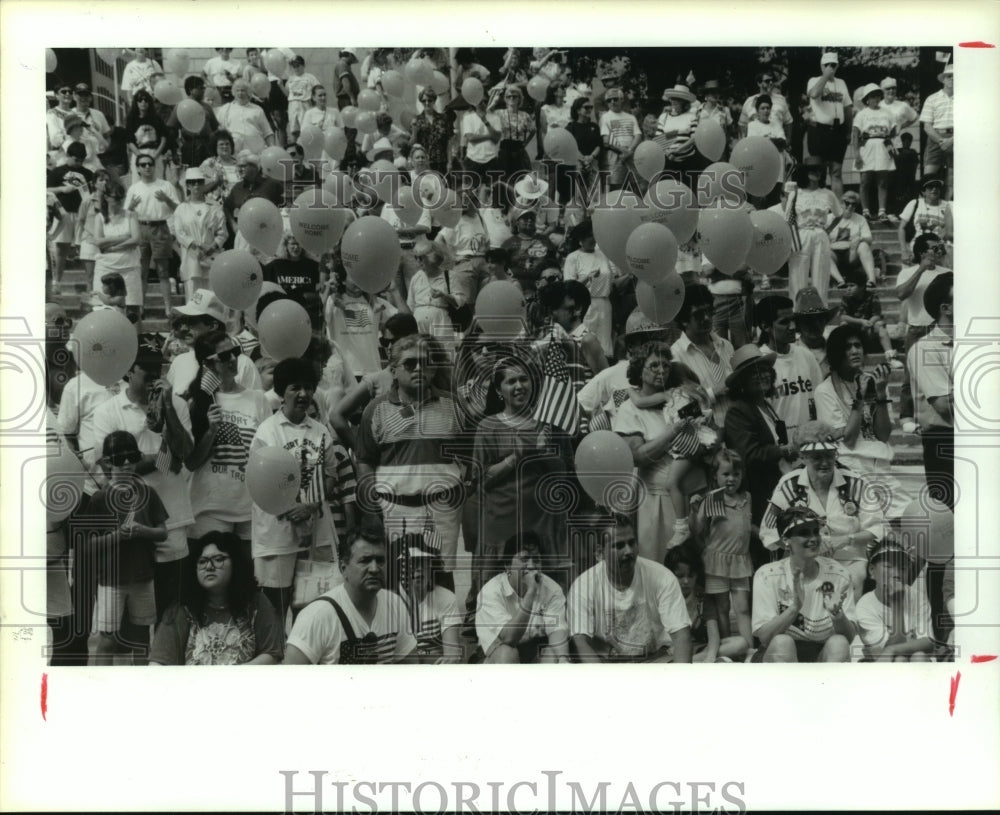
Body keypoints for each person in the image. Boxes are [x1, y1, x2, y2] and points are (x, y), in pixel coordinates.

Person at [92, 338, 195, 625]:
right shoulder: (107, 411)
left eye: (157, 367)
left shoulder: (176, 403)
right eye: (145, 367)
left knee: (172, 609)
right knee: (133, 621)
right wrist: (162, 455)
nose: (153, 374)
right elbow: (112, 467)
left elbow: (185, 454)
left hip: (171, 518)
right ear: (129, 370)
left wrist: (170, 412)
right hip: (130, 525)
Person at [355, 335, 464, 583]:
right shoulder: (375, 410)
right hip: (394, 510)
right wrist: (371, 509)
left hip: (441, 510)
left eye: (425, 362)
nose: (418, 368)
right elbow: (365, 461)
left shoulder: (453, 406)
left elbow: (470, 455)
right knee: (395, 581)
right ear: (393, 371)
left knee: (441, 580)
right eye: (410, 363)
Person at [249, 358, 340, 625]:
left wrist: (310, 506)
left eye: (308, 387)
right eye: (295, 388)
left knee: (310, 611)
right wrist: (293, 510)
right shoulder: (267, 432)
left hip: (315, 533)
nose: (303, 394)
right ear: (281, 392)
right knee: (274, 609)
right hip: (277, 535)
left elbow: (330, 475)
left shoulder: (321, 432)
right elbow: (259, 482)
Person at [760, 421, 884, 601]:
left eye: (829, 455)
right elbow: (768, 531)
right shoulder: (788, 485)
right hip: (802, 561)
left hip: (849, 561)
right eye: (817, 457)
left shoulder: (856, 483)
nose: (825, 462)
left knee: (850, 584)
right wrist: (801, 546)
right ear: (802, 457)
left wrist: (847, 539)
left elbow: (878, 528)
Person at [472, 354, 569, 581]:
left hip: (541, 524)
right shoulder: (488, 427)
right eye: (511, 381)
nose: (519, 386)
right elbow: (480, 480)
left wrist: (545, 452)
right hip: (501, 523)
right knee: (496, 589)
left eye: (523, 380)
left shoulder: (547, 424)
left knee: (541, 591)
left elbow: (562, 475)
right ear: (499, 389)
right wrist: (516, 457)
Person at [612, 341, 708, 562]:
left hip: (694, 496)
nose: (661, 370)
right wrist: (674, 431)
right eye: (654, 366)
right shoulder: (630, 409)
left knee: (697, 571)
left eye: (665, 365)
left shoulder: (679, 397)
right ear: (639, 369)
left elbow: (702, 430)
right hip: (658, 503)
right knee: (664, 565)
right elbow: (637, 457)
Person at [86, 430, 169, 665]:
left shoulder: (148, 493)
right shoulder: (99, 498)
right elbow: (88, 545)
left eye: (131, 458)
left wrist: (143, 531)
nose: (126, 465)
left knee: (142, 638)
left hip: (143, 576)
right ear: (107, 462)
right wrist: (117, 537)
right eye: (119, 460)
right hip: (111, 579)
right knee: (108, 638)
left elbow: (162, 532)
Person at [183, 330, 271, 545]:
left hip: (250, 507)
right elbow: (192, 462)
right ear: (208, 364)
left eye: (234, 352)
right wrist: (210, 431)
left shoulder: (258, 399)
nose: (232, 359)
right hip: (209, 508)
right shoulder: (197, 403)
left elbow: (268, 453)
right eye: (223, 356)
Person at [569, 512, 693, 663]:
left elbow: (681, 635)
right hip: (606, 665)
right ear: (600, 553)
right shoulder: (583, 586)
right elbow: (581, 641)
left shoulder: (662, 577)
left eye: (632, 543)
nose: (628, 551)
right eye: (619, 545)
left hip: (656, 660)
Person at [283, 528, 417, 665]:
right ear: (343, 568)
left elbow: (410, 670)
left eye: (380, 561)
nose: (374, 569)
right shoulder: (316, 616)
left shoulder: (394, 604)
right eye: (365, 561)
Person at [149, 532, 284, 665]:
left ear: (236, 563)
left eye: (218, 559)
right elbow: (158, 663)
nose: (209, 567)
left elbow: (272, 653)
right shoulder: (181, 608)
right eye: (202, 561)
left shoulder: (257, 602)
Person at [751, 505, 857, 663]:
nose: (813, 538)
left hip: (821, 654)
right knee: (783, 643)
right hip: (777, 654)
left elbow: (849, 638)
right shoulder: (767, 575)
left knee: (839, 644)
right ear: (786, 540)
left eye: (815, 532)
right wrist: (794, 608)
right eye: (804, 533)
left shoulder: (838, 574)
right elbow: (765, 638)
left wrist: (838, 616)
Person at [689, 447, 754, 648]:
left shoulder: (746, 498)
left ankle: (750, 649)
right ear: (715, 476)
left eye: (736, 474)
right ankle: (728, 648)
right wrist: (694, 510)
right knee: (722, 608)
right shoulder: (711, 499)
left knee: (743, 607)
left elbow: (745, 525)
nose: (731, 479)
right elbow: (697, 529)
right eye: (725, 474)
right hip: (716, 561)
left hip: (740, 559)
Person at [475, 532, 570, 663]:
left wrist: (563, 659)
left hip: (533, 651)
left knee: (553, 655)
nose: (531, 566)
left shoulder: (552, 589)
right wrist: (531, 592)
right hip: (495, 654)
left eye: (536, 559)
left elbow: (557, 629)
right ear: (507, 564)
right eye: (524, 559)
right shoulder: (490, 591)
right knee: (507, 654)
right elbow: (509, 638)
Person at [894, 233, 950, 434]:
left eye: (940, 248)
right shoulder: (907, 272)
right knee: (910, 376)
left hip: (941, 329)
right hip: (917, 329)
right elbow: (901, 294)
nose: (938, 252)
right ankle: (907, 417)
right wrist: (921, 269)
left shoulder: (947, 272)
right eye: (934, 248)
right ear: (921, 252)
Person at [908, 272, 955, 510]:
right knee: (952, 520)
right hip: (945, 444)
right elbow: (944, 405)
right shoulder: (924, 349)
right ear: (946, 308)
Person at [167, 288, 262, 396]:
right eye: (183, 321)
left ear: (212, 326)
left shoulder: (243, 364)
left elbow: (257, 406)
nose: (184, 328)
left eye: (191, 322)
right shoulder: (179, 362)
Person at [755, 295, 822, 444]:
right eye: (784, 322)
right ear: (765, 326)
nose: (792, 327)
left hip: (810, 447)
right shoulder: (759, 362)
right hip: (780, 452)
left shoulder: (806, 355)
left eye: (793, 320)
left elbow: (819, 399)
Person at [665, 543, 748, 663]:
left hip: (700, 649)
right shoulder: (665, 596)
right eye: (680, 576)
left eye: (691, 576)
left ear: (697, 575)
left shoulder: (702, 597)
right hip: (673, 650)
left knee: (741, 643)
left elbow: (713, 633)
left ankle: (686, 662)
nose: (686, 581)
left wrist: (711, 655)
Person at [855, 541, 934, 662]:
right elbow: (885, 655)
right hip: (882, 668)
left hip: (915, 659)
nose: (896, 574)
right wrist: (897, 605)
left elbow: (928, 642)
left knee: (919, 657)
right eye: (888, 566)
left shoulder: (917, 596)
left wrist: (891, 650)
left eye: (902, 567)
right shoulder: (865, 605)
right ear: (872, 570)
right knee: (899, 660)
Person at [670, 284, 734, 427]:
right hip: (708, 436)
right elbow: (679, 410)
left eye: (709, 311)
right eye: (698, 314)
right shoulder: (676, 355)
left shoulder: (726, 345)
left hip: (737, 428)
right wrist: (713, 393)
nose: (706, 318)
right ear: (684, 320)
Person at [126, 152, 180, 316]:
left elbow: (178, 208)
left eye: (150, 163)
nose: (147, 167)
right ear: (138, 168)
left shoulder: (165, 185)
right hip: (140, 227)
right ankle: (140, 306)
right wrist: (132, 206)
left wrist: (166, 199)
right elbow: (125, 214)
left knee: (163, 271)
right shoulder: (134, 188)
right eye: (143, 164)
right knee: (141, 271)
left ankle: (168, 307)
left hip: (160, 227)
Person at [395, 537, 463, 664]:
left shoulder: (446, 598)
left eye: (423, 561)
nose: (418, 568)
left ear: (431, 565)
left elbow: (452, 652)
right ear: (400, 568)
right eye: (412, 562)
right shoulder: (388, 601)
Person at [787, 157, 841, 304]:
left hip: (820, 234)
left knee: (821, 275)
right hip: (801, 234)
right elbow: (788, 219)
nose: (816, 173)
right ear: (805, 173)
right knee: (798, 276)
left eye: (819, 170)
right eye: (812, 170)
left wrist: (828, 230)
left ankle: (820, 315)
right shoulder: (796, 194)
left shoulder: (827, 194)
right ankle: (796, 313)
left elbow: (839, 215)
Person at [46, 141, 94, 295]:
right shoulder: (57, 172)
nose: (79, 163)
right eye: (76, 160)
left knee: (85, 249)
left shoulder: (87, 173)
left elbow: (92, 194)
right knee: (61, 249)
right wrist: (62, 189)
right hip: (62, 214)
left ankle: (90, 286)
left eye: (81, 160)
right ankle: (56, 282)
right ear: (68, 156)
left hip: (83, 214)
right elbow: (45, 189)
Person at [172, 168, 227, 301]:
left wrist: (211, 247)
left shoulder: (215, 206)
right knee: (193, 298)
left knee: (212, 299)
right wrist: (198, 245)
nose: (196, 185)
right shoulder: (181, 208)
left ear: (204, 184)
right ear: (188, 185)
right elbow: (179, 233)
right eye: (192, 182)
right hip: (191, 257)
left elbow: (222, 232)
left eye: (199, 182)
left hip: (211, 257)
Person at [562, 219, 614, 357]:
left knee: (604, 347)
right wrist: (588, 278)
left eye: (594, 235)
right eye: (589, 235)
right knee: (584, 345)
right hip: (585, 305)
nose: (593, 239)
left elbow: (612, 281)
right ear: (581, 238)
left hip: (604, 304)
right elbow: (568, 287)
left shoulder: (603, 255)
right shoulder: (573, 257)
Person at [92, 183, 142, 324]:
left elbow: (136, 240)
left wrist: (112, 247)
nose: (120, 201)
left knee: (133, 310)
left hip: (129, 266)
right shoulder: (100, 217)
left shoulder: (131, 215)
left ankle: (136, 343)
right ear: (107, 197)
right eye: (116, 197)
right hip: (105, 267)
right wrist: (124, 237)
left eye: (122, 198)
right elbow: (99, 242)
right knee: (101, 308)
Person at [805, 51, 852, 197]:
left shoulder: (842, 83)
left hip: (837, 131)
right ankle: (820, 206)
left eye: (833, 64)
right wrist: (826, 76)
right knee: (818, 171)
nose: (831, 67)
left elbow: (847, 108)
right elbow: (813, 94)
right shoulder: (814, 80)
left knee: (836, 172)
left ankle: (838, 208)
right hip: (819, 131)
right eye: (827, 65)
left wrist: (848, 131)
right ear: (822, 66)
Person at [835, 268, 903, 368]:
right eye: (847, 286)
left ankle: (891, 357)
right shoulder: (846, 298)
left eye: (852, 285)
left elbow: (877, 314)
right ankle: (842, 358)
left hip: (869, 330)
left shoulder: (872, 296)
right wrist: (861, 322)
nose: (848, 288)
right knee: (843, 326)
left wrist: (869, 323)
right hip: (855, 329)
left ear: (862, 287)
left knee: (880, 325)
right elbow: (843, 316)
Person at [223, 151, 284, 261]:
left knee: (267, 267)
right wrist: (233, 225)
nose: (239, 169)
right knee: (243, 267)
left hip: (267, 236)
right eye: (238, 166)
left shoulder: (272, 185)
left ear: (255, 167)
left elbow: (285, 206)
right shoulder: (237, 188)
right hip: (244, 237)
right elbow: (227, 206)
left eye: (243, 166)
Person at [851, 84, 896, 222]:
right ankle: (865, 211)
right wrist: (857, 154)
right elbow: (855, 135)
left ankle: (882, 211)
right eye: (872, 96)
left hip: (882, 146)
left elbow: (893, 131)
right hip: (867, 147)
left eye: (877, 95)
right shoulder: (861, 114)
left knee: (882, 181)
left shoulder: (887, 113)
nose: (875, 99)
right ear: (866, 99)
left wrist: (885, 138)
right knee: (865, 180)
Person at [167, 76, 220, 170]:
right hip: (189, 147)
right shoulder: (181, 106)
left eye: (204, 88)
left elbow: (215, 127)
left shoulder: (207, 107)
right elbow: (171, 130)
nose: (203, 91)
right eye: (200, 88)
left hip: (207, 146)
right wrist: (176, 149)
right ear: (191, 89)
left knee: (209, 174)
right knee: (192, 175)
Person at [828, 190, 877, 288]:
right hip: (833, 254)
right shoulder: (830, 218)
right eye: (847, 203)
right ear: (841, 203)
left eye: (854, 204)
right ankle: (840, 280)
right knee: (822, 250)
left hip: (851, 254)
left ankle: (872, 279)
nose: (850, 206)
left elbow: (869, 238)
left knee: (864, 246)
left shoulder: (860, 219)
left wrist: (859, 239)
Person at [897, 178, 953, 262]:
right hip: (916, 247)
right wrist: (904, 251)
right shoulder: (915, 203)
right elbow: (901, 228)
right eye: (930, 187)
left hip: (939, 249)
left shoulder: (947, 206)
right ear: (923, 192)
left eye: (937, 187)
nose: (934, 189)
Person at [919, 63, 953, 194]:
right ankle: (923, 207)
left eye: (956, 76)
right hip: (936, 138)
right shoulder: (932, 99)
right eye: (949, 76)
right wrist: (941, 141)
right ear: (943, 79)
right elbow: (927, 126)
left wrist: (952, 140)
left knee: (952, 175)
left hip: (956, 138)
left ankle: (948, 207)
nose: (953, 79)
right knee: (929, 175)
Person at [124, 89, 171, 182]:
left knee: (157, 181)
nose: (143, 102)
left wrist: (156, 155)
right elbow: (129, 141)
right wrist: (140, 156)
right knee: (138, 182)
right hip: (138, 153)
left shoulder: (156, 119)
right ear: (136, 103)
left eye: (146, 100)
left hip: (154, 152)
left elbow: (163, 138)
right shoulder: (131, 120)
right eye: (140, 100)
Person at [599, 87, 640, 190]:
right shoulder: (605, 117)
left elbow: (638, 135)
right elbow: (606, 141)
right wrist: (623, 151)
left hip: (631, 154)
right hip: (615, 155)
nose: (612, 102)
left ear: (621, 99)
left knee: (634, 185)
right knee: (616, 186)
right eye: (609, 100)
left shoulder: (630, 117)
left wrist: (629, 150)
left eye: (615, 99)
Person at [217, 79, 276, 150]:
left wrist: (273, 149)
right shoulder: (225, 109)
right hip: (234, 152)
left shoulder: (257, 109)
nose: (240, 93)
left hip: (256, 150)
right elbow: (219, 132)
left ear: (248, 93)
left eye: (243, 90)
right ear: (233, 93)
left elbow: (268, 133)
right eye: (237, 90)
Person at [793, 286, 838, 378]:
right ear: (799, 324)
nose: (815, 325)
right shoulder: (792, 352)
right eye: (808, 320)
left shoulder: (834, 348)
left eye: (820, 319)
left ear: (825, 321)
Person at [564, 96, 601, 207]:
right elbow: (569, 146)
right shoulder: (571, 127)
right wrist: (582, 159)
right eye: (586, 107)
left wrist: (591, 157)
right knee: (579, 195)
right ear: (578, 110)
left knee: (595, 195)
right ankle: (579, 221)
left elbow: (599, 145)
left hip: (593, 163)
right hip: (577, 164)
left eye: (591, 107)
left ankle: (593, 220)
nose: (590, 109)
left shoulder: (594, 126)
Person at [410, 87, 452, 176]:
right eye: (424, 100)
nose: (427, 103)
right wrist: (414, 131)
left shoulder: (443, 119)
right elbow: (413, 144)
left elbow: (448, 142)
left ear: (434, 101)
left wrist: (450, 162)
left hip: (442, 162)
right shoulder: (417, 120)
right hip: (425, 164)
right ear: (421, 102)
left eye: (430, 100)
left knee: (443, 187)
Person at [283, 55, 320, 144]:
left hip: (305, 104)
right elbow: (287, 93)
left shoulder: (309, 77)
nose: (296, 68)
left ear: (303, 66)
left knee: (306, 129)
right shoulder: (291, 78)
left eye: (298, 65)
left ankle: (308, 149)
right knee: (294, 131)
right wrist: (280, 85)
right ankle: (297, 150)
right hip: (293, 105)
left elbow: (318, 89)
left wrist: (315, 102)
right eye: (294, 66)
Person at [199, 129, 241, 206]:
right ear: (215, 147)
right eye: (221, 144)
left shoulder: (240, 164)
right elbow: (199, 189)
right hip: (217, 206)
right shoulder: (209, 164)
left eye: (227, 144)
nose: (225, 146)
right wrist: (215, 181)